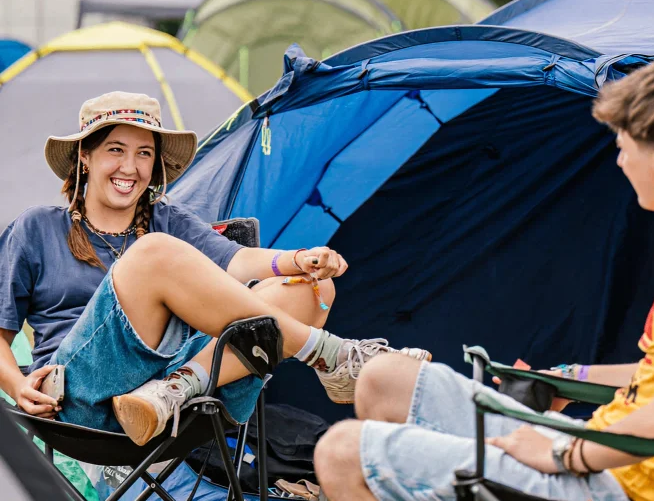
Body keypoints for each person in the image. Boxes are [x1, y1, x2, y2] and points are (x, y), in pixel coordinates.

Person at [313, 53, 654, 501]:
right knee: (382, 380)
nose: (618, 161)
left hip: (612, 500)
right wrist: (565, 377)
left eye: (623, 147)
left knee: (339, 453)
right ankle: (424, 489)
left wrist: (557, 452)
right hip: (605, 461)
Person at [0, 92, 430, 446]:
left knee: (310, 290)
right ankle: (333, 356)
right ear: (85, 158)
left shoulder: (168, 219)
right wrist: (18, 387)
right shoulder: (37, 228)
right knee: (152, 254)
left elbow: (238, 261)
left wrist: (301, 260)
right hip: (82, 403)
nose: (130, 167)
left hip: (173, 406)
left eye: (144, 153)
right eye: (116, 149)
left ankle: (177, 386)